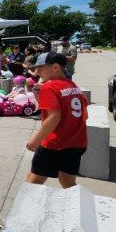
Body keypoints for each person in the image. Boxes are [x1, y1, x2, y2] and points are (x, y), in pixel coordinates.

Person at [25, 52, 87, 189]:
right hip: (78, 143)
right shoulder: (73, 85)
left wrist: (35, 140)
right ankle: (75, 206)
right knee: (67, 180)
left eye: (41, 68)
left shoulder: (49, 87)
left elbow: (54, 117)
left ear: (55, 67)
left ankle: (25, 208)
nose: (37, 72)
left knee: (33, 181)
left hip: (55, 144)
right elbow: (83, 113)